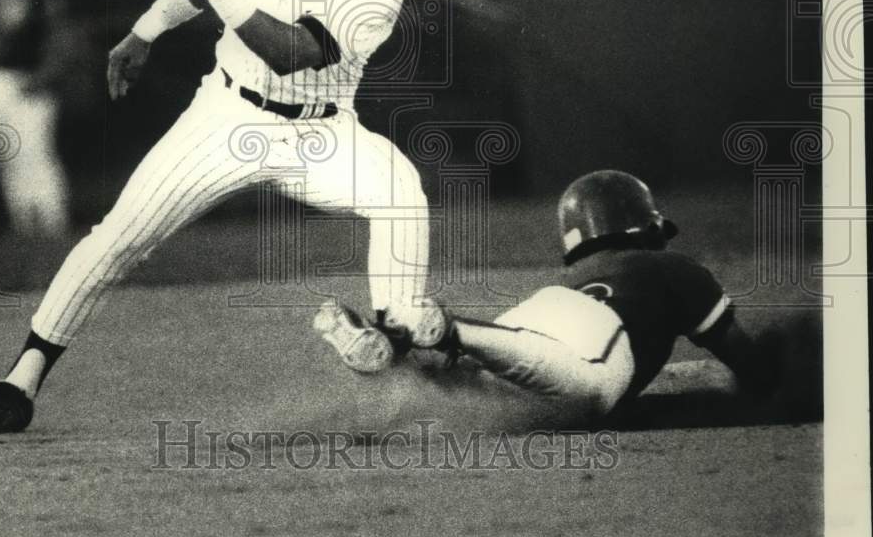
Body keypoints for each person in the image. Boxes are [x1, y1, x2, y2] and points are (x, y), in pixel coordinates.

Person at [0, 0, 442, 435]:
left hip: (320, 133)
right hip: (225, 114)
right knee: (117, 239)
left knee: (401, 193)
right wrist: (144, 31)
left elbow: (289, 51)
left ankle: (395, 349)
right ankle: (19, 380)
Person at [317, 170, 784, 427]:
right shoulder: (673, 267)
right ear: (646, 225)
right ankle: (443, 326)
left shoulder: (576, 277)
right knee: (583, 386)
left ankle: (410, 353)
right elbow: (750, 365)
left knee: (469, 378)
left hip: (536, 318)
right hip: (590, 346)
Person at [0, 0, 72, 237]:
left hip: (29, 87)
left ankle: (51, 222)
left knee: (35, 154)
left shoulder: (45, 16)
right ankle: (24, 225)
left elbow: (60, 55)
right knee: (9, 157)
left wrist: (41, 79)